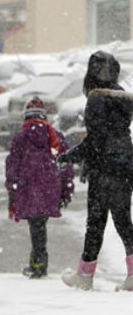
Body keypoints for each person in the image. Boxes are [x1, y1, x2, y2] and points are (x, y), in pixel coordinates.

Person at [57, 51, 133, 291]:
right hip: (125, 165)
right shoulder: (123, 96)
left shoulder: (96, 98)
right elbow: (116, 133)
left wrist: (69, 156)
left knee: (95, 223)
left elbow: (96, 140)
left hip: (104, 169)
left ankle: (84, 276)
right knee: (123, 222)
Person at [5, 96, 75, 279]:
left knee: (36, 225)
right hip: (50, 188)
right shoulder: (56, 137)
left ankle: (39, 264)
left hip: (28, 188)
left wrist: (11, 189)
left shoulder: (21, 138)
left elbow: (12, 165)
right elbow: (65, 165)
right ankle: (38, 262)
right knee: (39, 224)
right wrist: (66, 191)